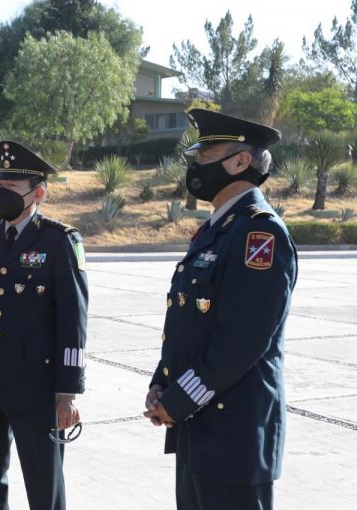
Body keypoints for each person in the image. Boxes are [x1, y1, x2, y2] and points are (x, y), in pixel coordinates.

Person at [143, 109, 298, 510]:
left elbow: (241, 342)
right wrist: (162, 382)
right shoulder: (216, 230)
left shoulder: (258, 234)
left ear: (239, 162)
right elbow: (186, 320)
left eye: (205, 157)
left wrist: (178, 401)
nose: (196, 166)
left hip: (234, 437)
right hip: (197, 425)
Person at [0, 140, 88, 510]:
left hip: (37, 388)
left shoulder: (60, 242)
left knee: (44, 486)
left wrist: (68, 391)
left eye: (12, 189)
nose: (2, 194)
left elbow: (74, 321)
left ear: (38, 192)